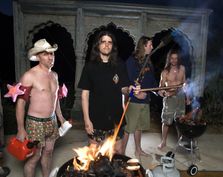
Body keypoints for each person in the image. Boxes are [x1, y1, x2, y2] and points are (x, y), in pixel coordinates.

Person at [78, 30, 140, 154]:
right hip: (96, 118)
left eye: (110, 42)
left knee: (117, 151)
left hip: (116, 117)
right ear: (98, 45)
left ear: (113, 46)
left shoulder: (120, 64)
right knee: (94, 154)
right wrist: (86, 120)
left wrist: (130, 89)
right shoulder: (90, 67)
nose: (106, 45)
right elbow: (84, 95)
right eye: (103, 42)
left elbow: (124, 88)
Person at [15, 39, 66, 177]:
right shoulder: (29, 75)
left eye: (52, 54)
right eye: (45, 54)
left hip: (52, 121)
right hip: (35, 122)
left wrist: (61, 117)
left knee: (48, 153)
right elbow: (20, 104)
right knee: (34, 157)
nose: (50, 57)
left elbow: (55, 99)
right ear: (37, 56)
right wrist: (20, 128)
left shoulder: (54, 75)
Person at [122, 36, 157, 156]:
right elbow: (127, 82)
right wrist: (137, 94)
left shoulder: (149, 61)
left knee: (139, 127)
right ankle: (122, 153)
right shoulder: (132, 61)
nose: (152, 47)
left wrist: (159, 91)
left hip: (145, 101)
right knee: (128, 128)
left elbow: (152, 82)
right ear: (143, 46)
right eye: (150, 45)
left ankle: (138, 149)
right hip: (133, 101)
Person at [157, 49, 186, 150]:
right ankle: (163, 141)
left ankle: (180, 142)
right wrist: (164, 93)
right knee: (166, 121)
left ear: (178, 59)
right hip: (170, 98)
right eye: (172, 58)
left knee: (180, 121)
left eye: (176, 58)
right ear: (169, 59)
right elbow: (160, 88)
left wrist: (188, 98)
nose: (174, 60)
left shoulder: (182, 68)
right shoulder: (165, 72)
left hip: (181, 97)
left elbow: (184, 83)